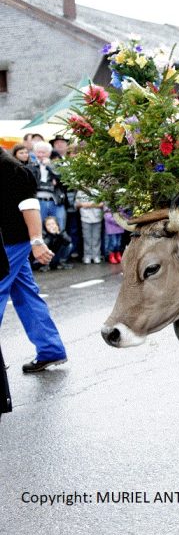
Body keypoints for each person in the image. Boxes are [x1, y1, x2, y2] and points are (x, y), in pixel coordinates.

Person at [0, 147, 68, 373]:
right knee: (26, 294)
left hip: (10, 242)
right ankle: (50, 349)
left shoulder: (12, 169)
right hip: (10, 241)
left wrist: (37, 241)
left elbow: (29, 206)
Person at [28, 141, 67, 231]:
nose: (41, 155)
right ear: (35, 153)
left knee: (59, 228)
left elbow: (63, 180)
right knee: (39, 229)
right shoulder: (31, 166)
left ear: (49, 153)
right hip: (38, 201)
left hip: (55, 200)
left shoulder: (57, 165)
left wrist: (50, 166)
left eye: (44, 152)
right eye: (38, 152)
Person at [75, 191, 103, 264]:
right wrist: (83, 204)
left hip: (97, 217)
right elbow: (76, 204)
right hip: (85, 218)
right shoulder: (80, 192)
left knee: (96, 238)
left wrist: (91, 205)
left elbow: (102, 204)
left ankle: (96, 256)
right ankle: (87, 256)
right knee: (87, 238)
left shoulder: (98, 190)